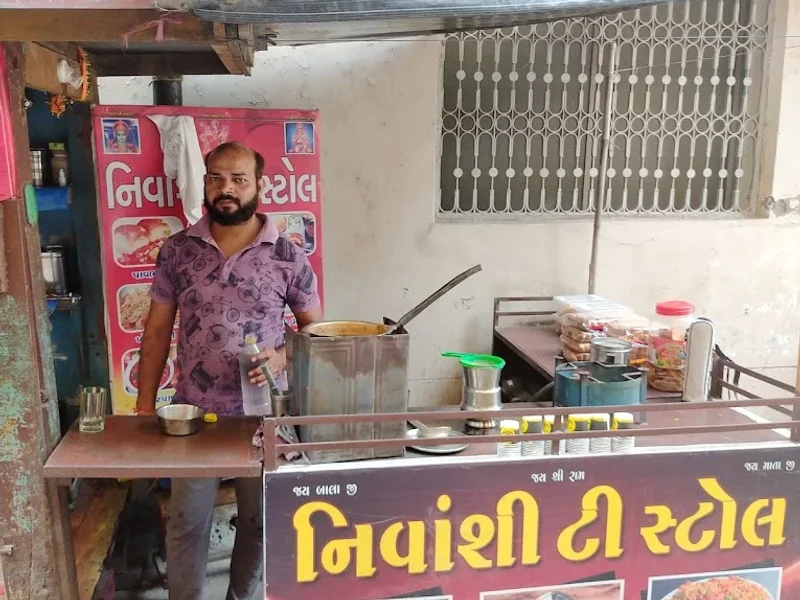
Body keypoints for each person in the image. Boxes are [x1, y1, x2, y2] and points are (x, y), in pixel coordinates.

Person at [135, 141, 322, 600]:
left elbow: (315, 333)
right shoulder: (178, 251)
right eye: (216, 177)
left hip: (264, 417)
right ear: (204, 183)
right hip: (191, 417)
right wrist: (142, 409)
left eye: (239, 179)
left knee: (258, 523)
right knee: (186, 523)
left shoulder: (287, 254)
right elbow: (157, 332)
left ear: (260, 185)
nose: (226, 188)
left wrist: (280, 356)